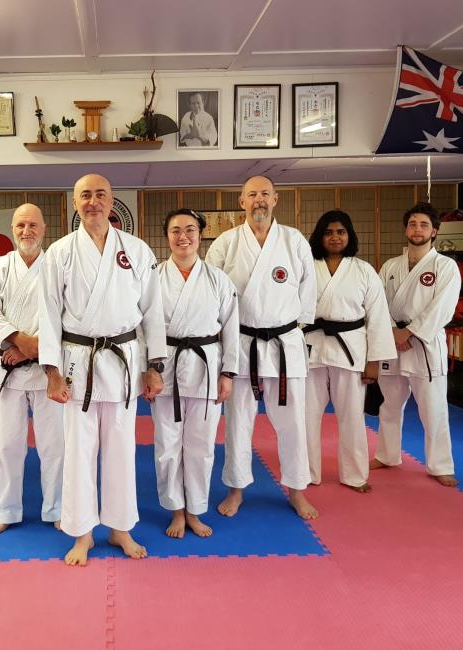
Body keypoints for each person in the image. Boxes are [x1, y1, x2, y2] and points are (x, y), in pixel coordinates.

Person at [39, 173, 166, 566]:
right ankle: (82, 533)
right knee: (78, 451)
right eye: (85, 195)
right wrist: (52, 373)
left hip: (124, 360)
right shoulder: (59, 252)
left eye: (100, 195)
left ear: (111, 201)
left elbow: (152, 312)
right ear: (75, 203)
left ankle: (120, 527)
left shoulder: (137, 250)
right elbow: (48, 314)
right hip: (77, 362)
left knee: (121, 449)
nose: (92, 202)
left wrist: (154, 366)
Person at [206, 176, 318, 519]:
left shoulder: (294, 240)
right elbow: (211, 292)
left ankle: (297, 489)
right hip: (242, 343)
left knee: (293, 423)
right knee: (238, 422)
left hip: (285, 343)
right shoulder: (226, 243)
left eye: (265, 194)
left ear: (275, 199)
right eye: (252, 194)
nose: (259, 200)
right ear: (242, 202)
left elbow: (308, 288)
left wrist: (296, 327)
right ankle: (236, 489)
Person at [0, 203, 63, 534]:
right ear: (12, 230)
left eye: (33, 225)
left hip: (48, 371)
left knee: (55, 446)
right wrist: (17, 341)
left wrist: (31, 350)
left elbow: (66, 315)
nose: (27, 231)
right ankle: (7, 510)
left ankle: (56, 508)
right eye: (20, 226)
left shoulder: (57, 267)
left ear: (44, 229)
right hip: (7, 366)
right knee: (6, 445)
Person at [152, 209, 239, 538]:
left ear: (200, 236)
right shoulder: (153, 277)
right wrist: (148, 370)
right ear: (167, 236)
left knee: (201, 446)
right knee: (167, 445)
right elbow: (143, 327)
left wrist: (228, 373)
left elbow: (231, 327)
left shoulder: (218, 279)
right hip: (165, 367)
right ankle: (176, 510)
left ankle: (195, 510)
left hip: (206, 367)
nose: (183, 236)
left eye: (190, 230)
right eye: (175, 230)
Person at [304, 210, 396, 492]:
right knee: (305, 416)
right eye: (328, 232)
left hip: (350, 348)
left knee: (353, 417)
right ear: (320, 236)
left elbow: (378, 318)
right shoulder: (305, 267)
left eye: (340, 232)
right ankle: (305, 473)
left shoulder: (364, 270)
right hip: (311, 347)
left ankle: (354, 475)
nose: (335, 237)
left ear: (350, 236)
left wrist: (374, 361)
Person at [371, 202, 460, 487]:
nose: (417, 229)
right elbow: (377, 303)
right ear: (406, 229)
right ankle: (387, 455)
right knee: (389, 405)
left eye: (423, 225)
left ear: (434, 231)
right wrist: (392, 332)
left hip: (423, 345)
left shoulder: (445, 266)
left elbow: (442, 308)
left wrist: (409, 333)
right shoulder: (390, 266)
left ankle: (440, 465)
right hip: (392, 343)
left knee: (433, 409)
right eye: (412, 224)